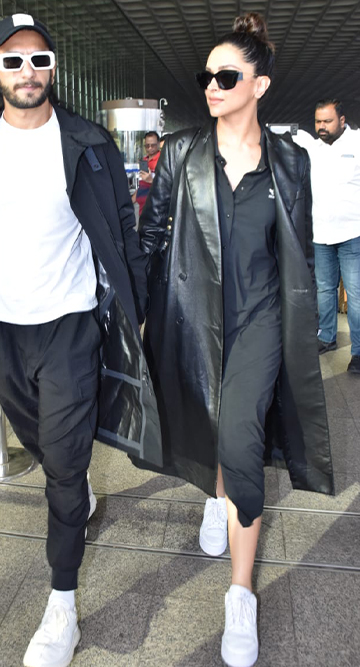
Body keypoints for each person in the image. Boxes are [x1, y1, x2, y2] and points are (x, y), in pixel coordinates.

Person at [0, 13, 157, 667]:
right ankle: (72, 484)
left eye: (38, 60)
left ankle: (62, 602)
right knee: (43, 443)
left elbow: (121, 224)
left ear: (51, 69)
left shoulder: (87, 143)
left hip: (69, 323)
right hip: (1, 330)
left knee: (62, 462)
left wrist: (135, 306)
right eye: (13, 61)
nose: (27, 72)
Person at [138, 13, 333, 667]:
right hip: (191, 320)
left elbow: (297, 250)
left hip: (260, 322)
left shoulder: (291, 163)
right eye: (208, 76)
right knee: (209, 428)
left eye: (228, 76)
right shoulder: (182, 154)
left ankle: (240, 595)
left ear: (260, 85)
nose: (212, 86)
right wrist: (135, 317)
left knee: (241, 440)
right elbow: (151, 238)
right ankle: (219, 495)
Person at [288, 99, 360, 366]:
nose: (321, 126)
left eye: (327, 121)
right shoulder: (312, 147)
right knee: (324, 291)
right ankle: (327, 336)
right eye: (318, 121)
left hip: (354, 233)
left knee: (356, 294)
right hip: (321, 235)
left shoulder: (357, 142)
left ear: (342, 120)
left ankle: (359, 351)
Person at [135, 130, 162, 213]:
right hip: (142, 209)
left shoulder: (163, 160)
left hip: (156, 209)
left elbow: (168, 184)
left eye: (153, 145)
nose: (150, 148)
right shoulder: (144, 160)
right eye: (147, 146)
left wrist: (151, 180)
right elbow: (142, 186)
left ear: (158, 144)